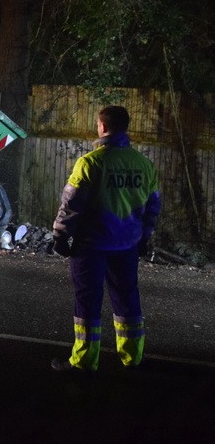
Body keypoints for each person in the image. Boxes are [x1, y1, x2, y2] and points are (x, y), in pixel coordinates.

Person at [51, 105, 161, 373]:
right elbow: (153, 207)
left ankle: (85, 361)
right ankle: (132, 356)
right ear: (126, 127)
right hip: (127, 245)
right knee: (127, 298)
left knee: (88, 301)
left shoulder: (90, 162)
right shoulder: (144, 165)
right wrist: (145, 237)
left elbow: (71, 204)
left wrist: (60, 235)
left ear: (102, 126)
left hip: (92, 244)